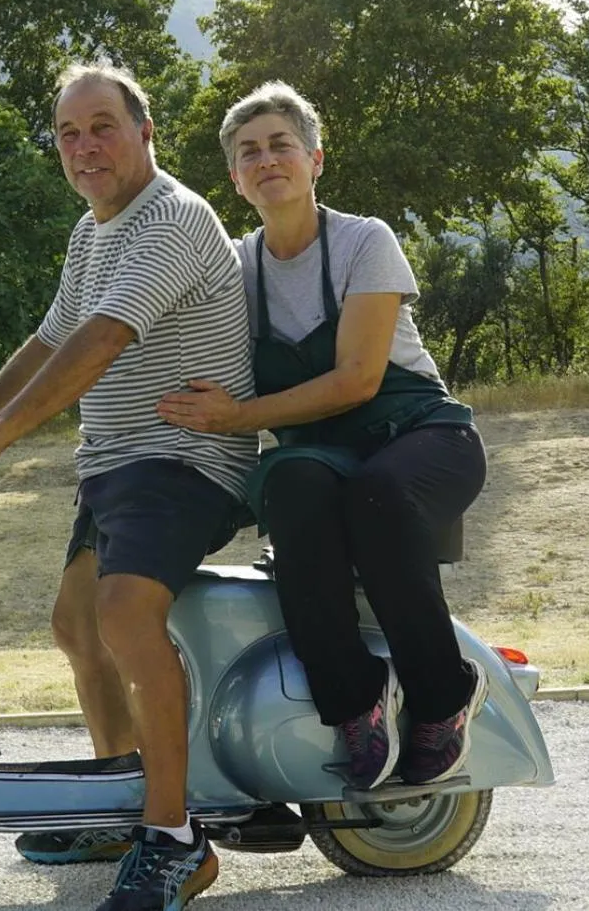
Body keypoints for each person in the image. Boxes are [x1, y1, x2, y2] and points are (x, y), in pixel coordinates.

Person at [0, 63, 254, 911]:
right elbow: (49, 341)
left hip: (184, 458)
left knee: (121, 616)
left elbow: (104, 339)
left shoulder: (172, 219)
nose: (84, 147)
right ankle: (121, 800)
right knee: (75, 627)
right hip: (117, 462)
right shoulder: (92, 230)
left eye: (102, 126)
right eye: (69, 134)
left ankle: (176, 836)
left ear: (146, 133)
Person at [156, 81, 487, 791]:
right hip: (324, 454)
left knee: (377, 492)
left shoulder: (366, 240)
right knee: (290, 484)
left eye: (281, 144)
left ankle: (443, 695)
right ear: (236, 178)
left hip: (422, 435)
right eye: (249, 152)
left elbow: (359, 379)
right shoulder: (233, 270)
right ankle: (353, 701)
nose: (266, 159)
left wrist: (240, 417)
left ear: (315, 159)